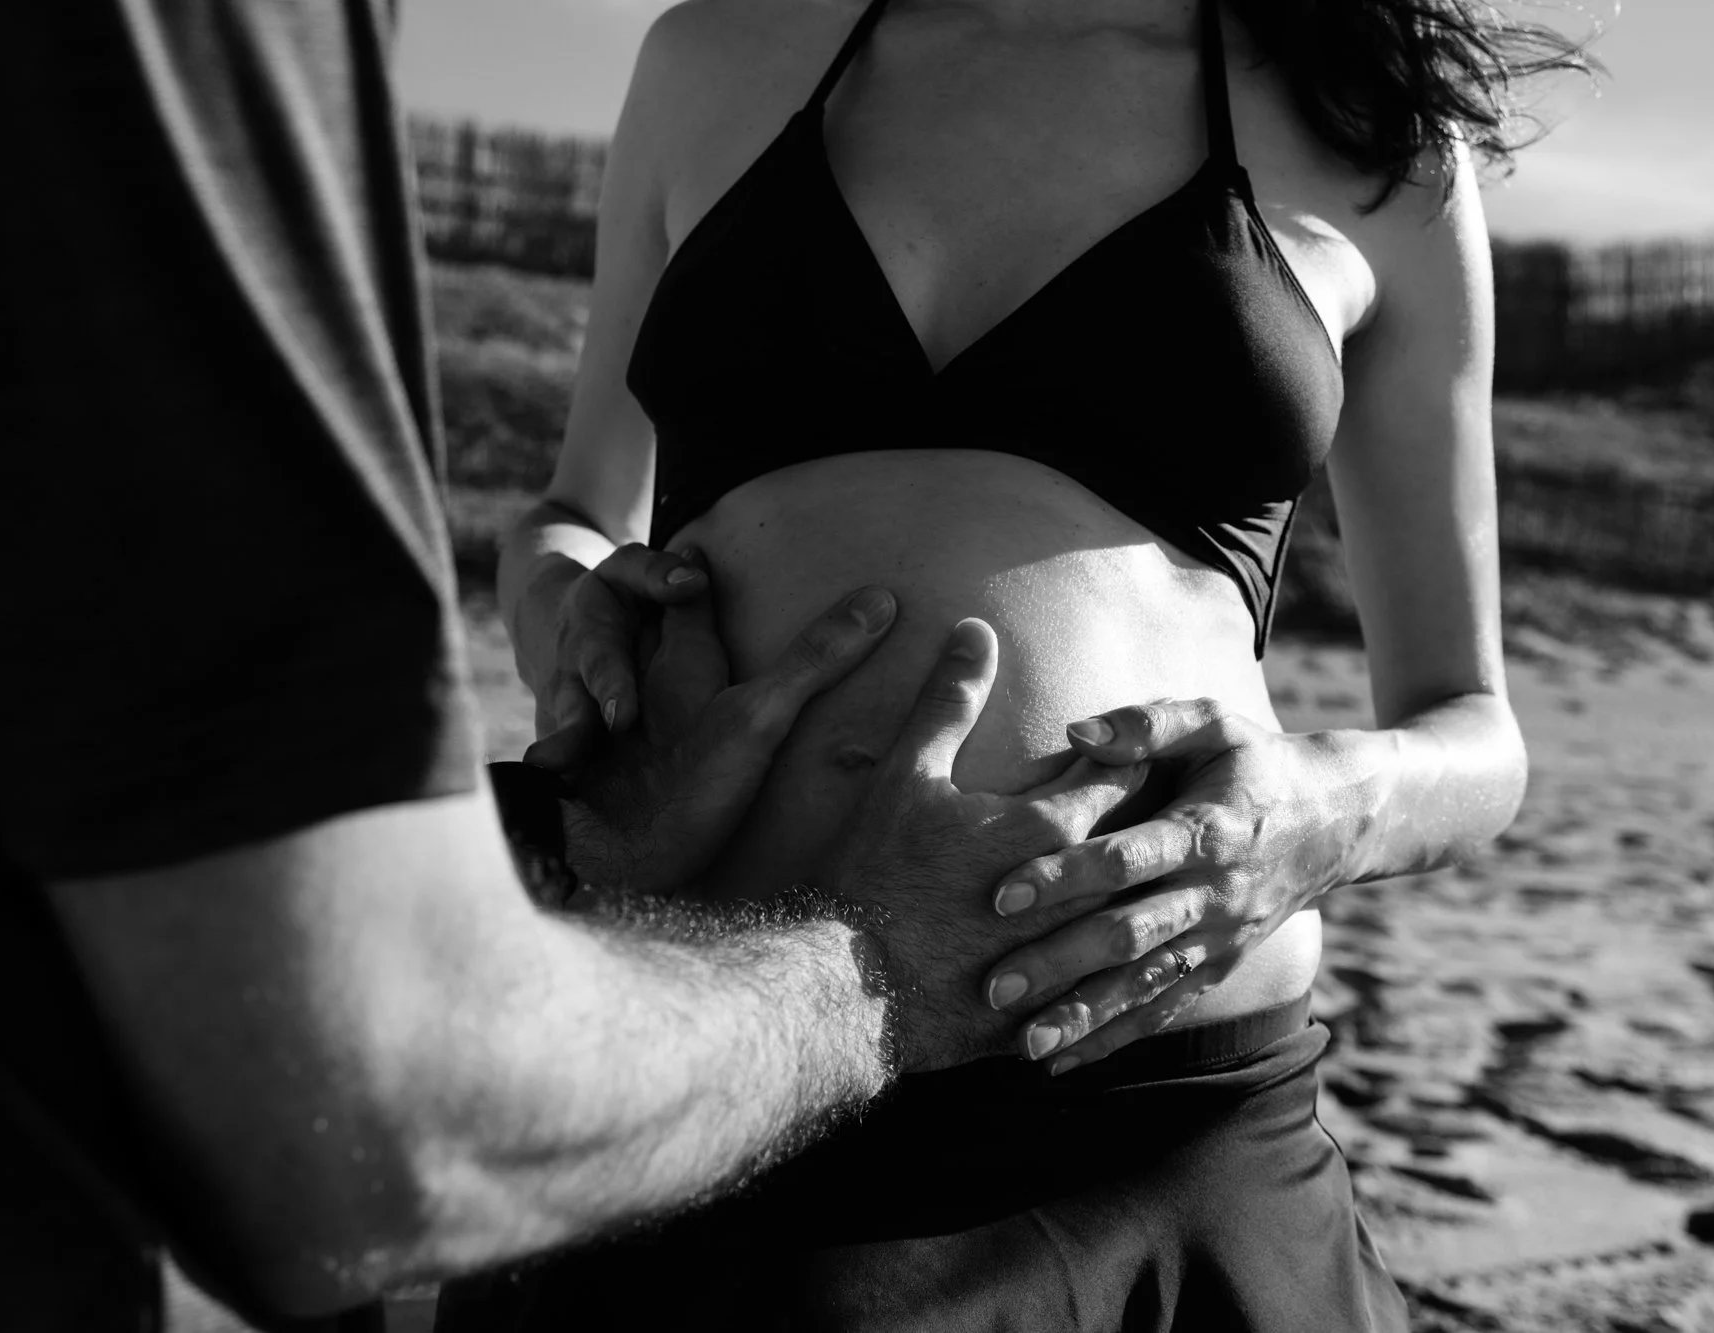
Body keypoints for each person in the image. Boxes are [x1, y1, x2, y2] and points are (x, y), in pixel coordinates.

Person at [0, 5, 1165, 1331]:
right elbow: (368, 1120)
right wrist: (877, 966)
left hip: (1064, 1072)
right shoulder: (187, 50)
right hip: (703, 1032)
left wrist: (1323, 816)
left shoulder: (1344, 122)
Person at [462, 0, 1591, 1325]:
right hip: (720, 1045)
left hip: (1154, 1109)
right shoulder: (723, 51)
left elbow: (1475, 733)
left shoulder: (1375, 137)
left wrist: (1319, 815)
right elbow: (575, 510)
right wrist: (567, 605)